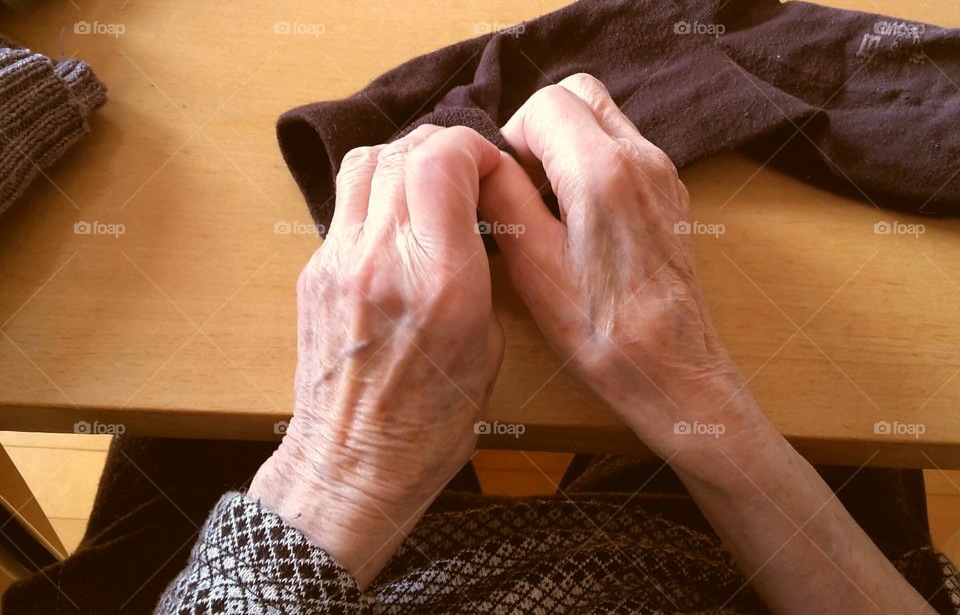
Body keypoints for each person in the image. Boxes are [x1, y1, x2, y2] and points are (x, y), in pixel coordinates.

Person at [4, 75, 957, 614]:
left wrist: (339, 467)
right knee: (851, 433)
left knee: (199, 390)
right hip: (687, 584)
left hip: (208, 581)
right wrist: (705, 403)